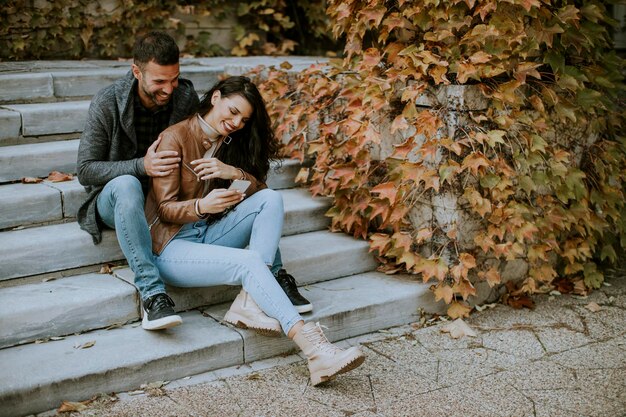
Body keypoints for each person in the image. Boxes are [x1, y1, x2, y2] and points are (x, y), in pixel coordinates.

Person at [144, 75, 365, 385]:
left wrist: (232, 172)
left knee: (270, 199)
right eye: (232, 111)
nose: (236, 122)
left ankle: (249, 301)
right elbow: (164, 209)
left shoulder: (230, 142)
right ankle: (315, 350)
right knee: (250, 262)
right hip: (171, 246)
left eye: (243, 119)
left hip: (207, 233)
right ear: (216, 97)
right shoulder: (175, 138)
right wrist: (201, 206)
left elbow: (259, 189)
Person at [76, 31, 197, 330]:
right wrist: (141, 166)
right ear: (136, 71)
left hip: (165, 199)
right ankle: (153, 295)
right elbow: (86, 170)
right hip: (116, 198)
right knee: (128, 183)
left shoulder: (184, 96)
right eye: (159, 81)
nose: (169, 89)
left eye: (174, 79)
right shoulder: (107, 102)